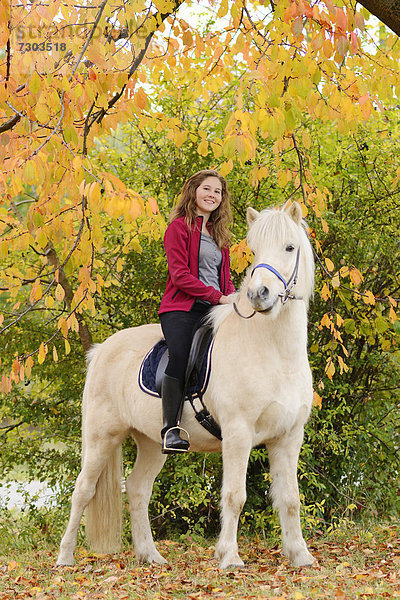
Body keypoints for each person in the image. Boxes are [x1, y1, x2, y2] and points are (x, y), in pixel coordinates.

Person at [158, 169, 236, 454]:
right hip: (182, 308)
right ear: (193, 191)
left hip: (215, 308)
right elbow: (179, 276)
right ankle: (170, 429)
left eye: (217, 191)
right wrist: (218, 297)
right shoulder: (178, 228)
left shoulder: (220, 235)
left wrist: (232, 297)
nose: (212, 195)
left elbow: (224, 279)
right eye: (207, 189)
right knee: (180, 354)